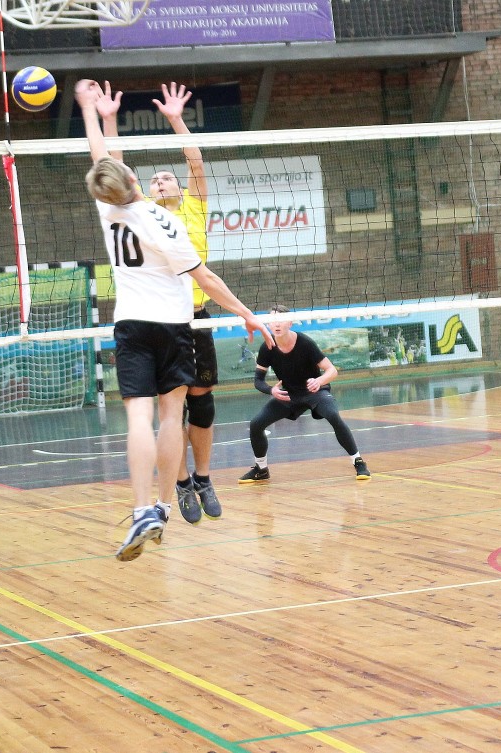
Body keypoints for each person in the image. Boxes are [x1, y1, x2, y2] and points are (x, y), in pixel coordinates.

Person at [75, 79, 273, 562]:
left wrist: (95, 112)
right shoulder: (165, 223)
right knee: (171, 417)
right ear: (136, 184)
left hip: (132, 325)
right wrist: (246, 313)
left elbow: (102, 158)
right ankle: (164, 505)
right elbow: (205, 278)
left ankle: (144, 508)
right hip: (175, 325)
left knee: (139, 418)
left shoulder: (109, 209)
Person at [93, 81, 221, 527]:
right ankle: (179, 484)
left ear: (179, 187)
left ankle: (202, 478)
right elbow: (114, 166)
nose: (160, 181)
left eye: (167, 177)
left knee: (201, 404)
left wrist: (176, 120)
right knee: (172, 409)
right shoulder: (144, 212)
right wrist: (108, 121)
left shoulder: (194, 208)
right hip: (166, 320)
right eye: (154, 179)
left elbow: (196, 162)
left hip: (197, 319)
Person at [240, 305, 371, 483]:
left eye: (281, 320)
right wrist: (271, 390)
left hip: (314, 392)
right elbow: (258, 380)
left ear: (290, 323)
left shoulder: (305, 343)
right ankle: (261, 469)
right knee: (256, 424)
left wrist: (319, 381)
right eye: (273, 321)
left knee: (333, 416)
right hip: (289, 395)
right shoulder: (267, 347)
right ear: (268, 324)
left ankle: (358, 462)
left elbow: (332, 370)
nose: (277, 324)